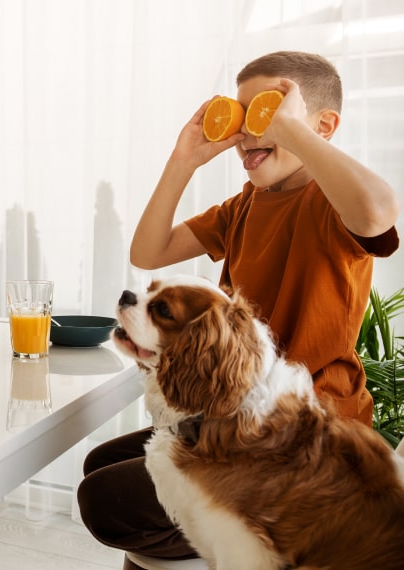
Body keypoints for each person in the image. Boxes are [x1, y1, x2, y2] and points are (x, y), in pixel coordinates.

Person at [77, 51, 400, 564]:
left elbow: (379, 210)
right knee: (100, 465)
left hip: (306, 429)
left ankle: (257, 535)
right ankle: (225, 524)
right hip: (236, 419)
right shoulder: (244, 206)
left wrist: (292, 133)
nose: (248, 131)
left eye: (268, 111)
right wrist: (185, 158)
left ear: (321, 125)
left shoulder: (332, 204)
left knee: (107, 503)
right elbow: (148, 251)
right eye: (241, 113)